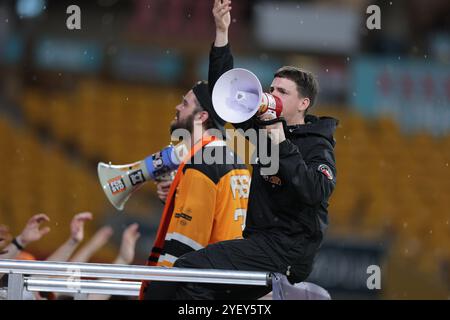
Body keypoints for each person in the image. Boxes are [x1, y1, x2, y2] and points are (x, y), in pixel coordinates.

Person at [144, 0, 338, 300]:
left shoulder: (316, 142)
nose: (271, 95)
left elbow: (316, 191)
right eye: (271, 88)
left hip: (286, 252)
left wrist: (280, 142)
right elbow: (225, 95)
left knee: (186, 272)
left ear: (303, 104)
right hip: (258, 243)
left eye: (282, 92)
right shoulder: (265, 129)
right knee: (185, 284)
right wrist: (222, 33)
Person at [140, 71, 251, 298]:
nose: (178, 107)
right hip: (227, 282)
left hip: (201, 288)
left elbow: (186, 242)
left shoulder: (202, 163)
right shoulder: (234, 158)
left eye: (185, 103)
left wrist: (159, 289)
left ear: (201, 117)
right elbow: (219, 216)